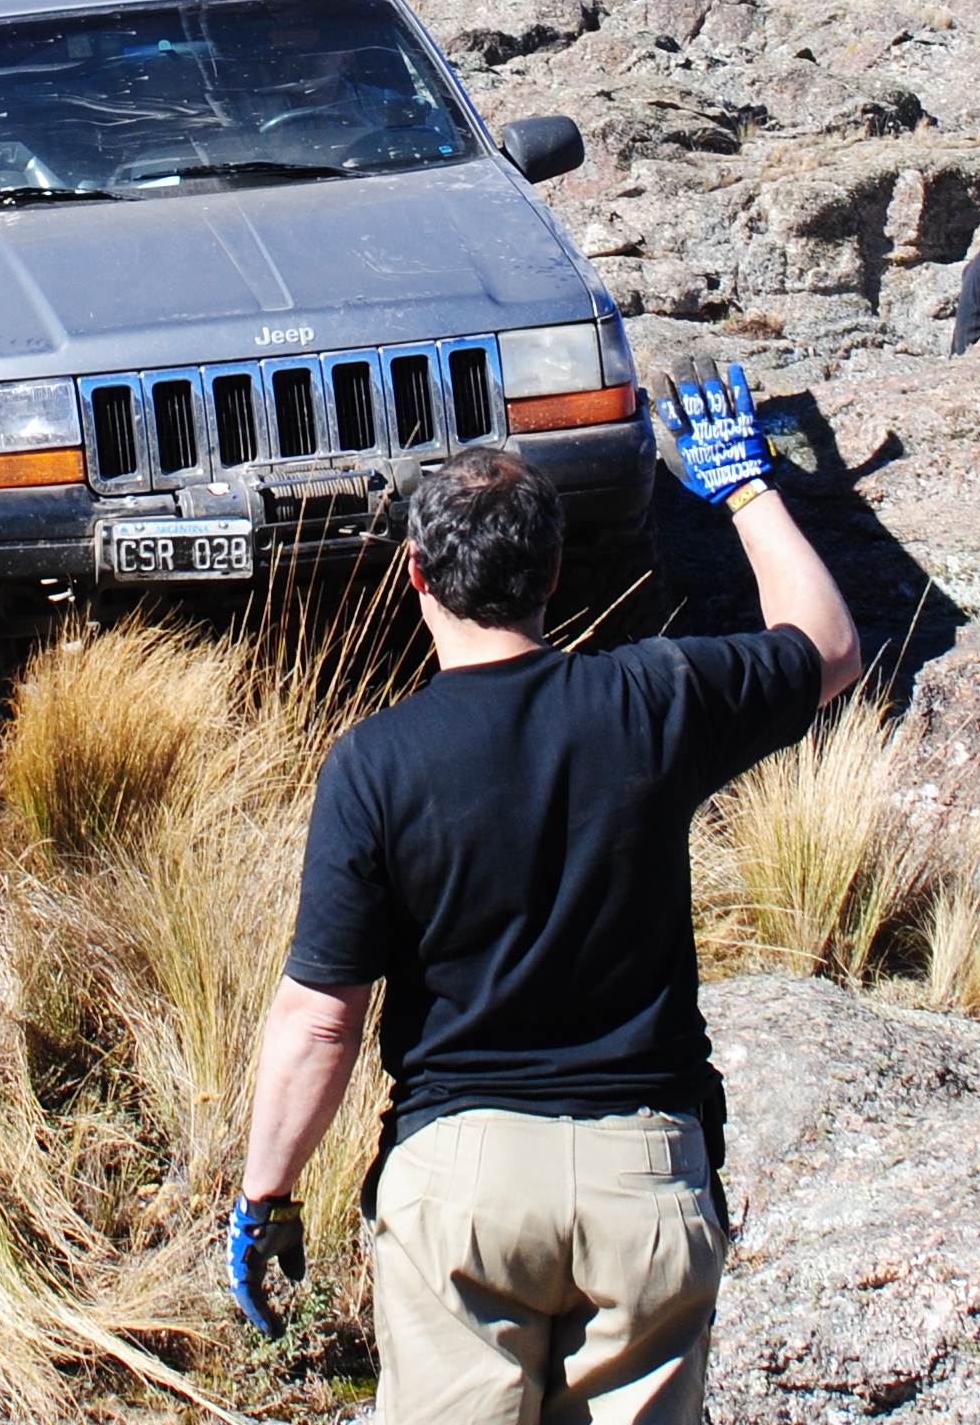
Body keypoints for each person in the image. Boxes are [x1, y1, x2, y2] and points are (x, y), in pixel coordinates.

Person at [225, 371, 862, 1425]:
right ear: (552, 572)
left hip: (461, 1186)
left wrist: (264, 1194)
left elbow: (321, 1019)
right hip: (645, 1176)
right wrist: (748, 490)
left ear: (415, 575)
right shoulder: (652, 699)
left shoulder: (374, 766)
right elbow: (828, 645)